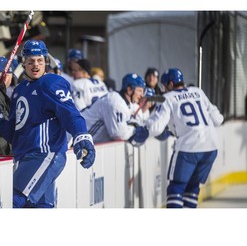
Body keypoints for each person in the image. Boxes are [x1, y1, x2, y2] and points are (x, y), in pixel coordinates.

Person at [0, 39, 96, 208]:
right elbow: (15, 133)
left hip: (45, 155)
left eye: (40, 60)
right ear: (23, 63)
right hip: (26, 157)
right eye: (30, 61)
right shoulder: (19, 91)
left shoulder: (51, 83)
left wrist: (81, 135)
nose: (35, 65)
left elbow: (70, 113)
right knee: (38, 208)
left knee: (12, 202)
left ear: (45, 62)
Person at [138, 68, 224, 208]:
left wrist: (142, 128)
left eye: (165, 86)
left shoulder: (168, 98)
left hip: (188, 147)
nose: (164, 90)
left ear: (171, 84)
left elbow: (156, 127)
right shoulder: (198, 92)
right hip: (211, 147)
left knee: (176, 189)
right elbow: (218, 119)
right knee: (192, 188)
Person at [81, 73, 148, 145]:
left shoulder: (126, 102)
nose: (142, 95)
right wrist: (134, 130)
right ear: (129, 90)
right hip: (76, 138)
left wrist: (134, 126)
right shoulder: (116, 103)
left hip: (86, 141)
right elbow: (119, 134)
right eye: (140, 91)